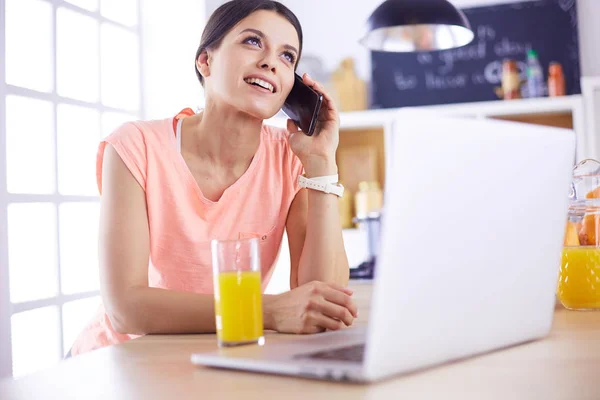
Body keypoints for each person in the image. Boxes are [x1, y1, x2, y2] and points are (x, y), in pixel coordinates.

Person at [68, 0, 357, 357]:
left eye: (287, 57)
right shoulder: (135, 145)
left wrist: (322, 161)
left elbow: (322, 300)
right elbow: (125, 308)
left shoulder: (291, 158)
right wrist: (266, 309)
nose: (270, 62)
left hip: (222, 357)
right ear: (206, 61)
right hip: (121, 361)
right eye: (253, 42)